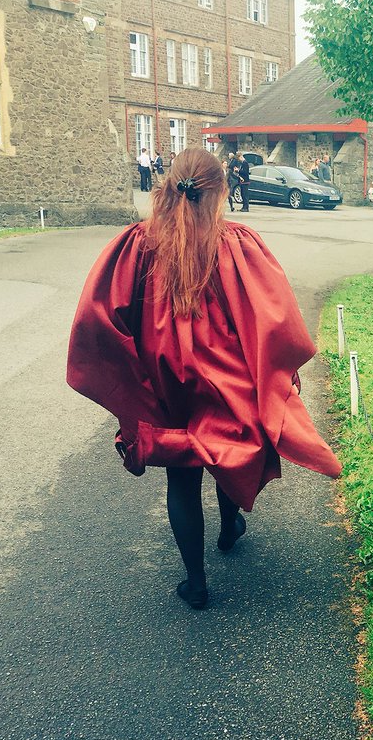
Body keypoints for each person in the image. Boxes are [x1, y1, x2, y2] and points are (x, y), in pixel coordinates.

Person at [66, 148, 342, 609]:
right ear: (221, 192)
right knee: (227, 443)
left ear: (168, 186)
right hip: (223, 373)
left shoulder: (137, 244)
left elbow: (100, 316)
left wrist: (128, 377)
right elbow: (273, 317)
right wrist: (278, 369)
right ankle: (229, 526)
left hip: (165, 377)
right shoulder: (237, 243)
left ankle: (196, 583)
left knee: (181, 476)